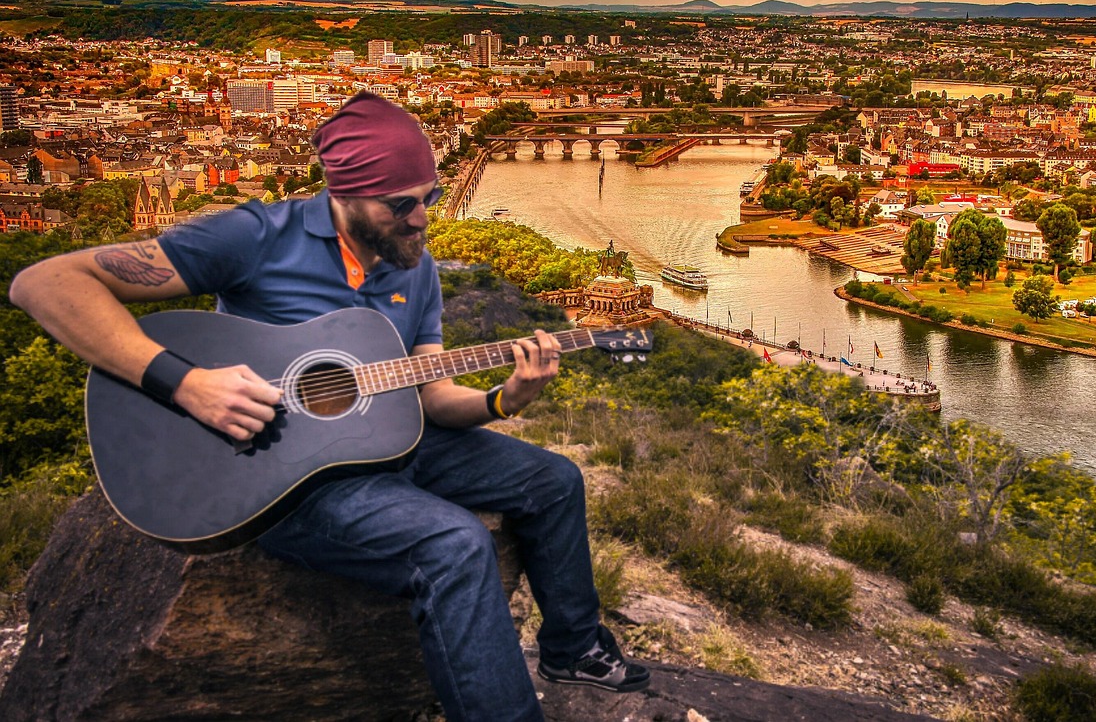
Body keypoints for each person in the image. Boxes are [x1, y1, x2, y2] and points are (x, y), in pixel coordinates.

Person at [9, 92, 648, 721]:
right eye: (401, 204)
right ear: (343, 194)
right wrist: (184, 382)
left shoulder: (413, 265)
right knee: (455, 546)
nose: (422, 217)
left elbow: (429, 395)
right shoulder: (256, 236)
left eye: (429, 196)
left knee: (554, 480)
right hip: (282, 475)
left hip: (392, 443)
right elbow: (44, 283)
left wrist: (502, 400)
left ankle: (573, 648)